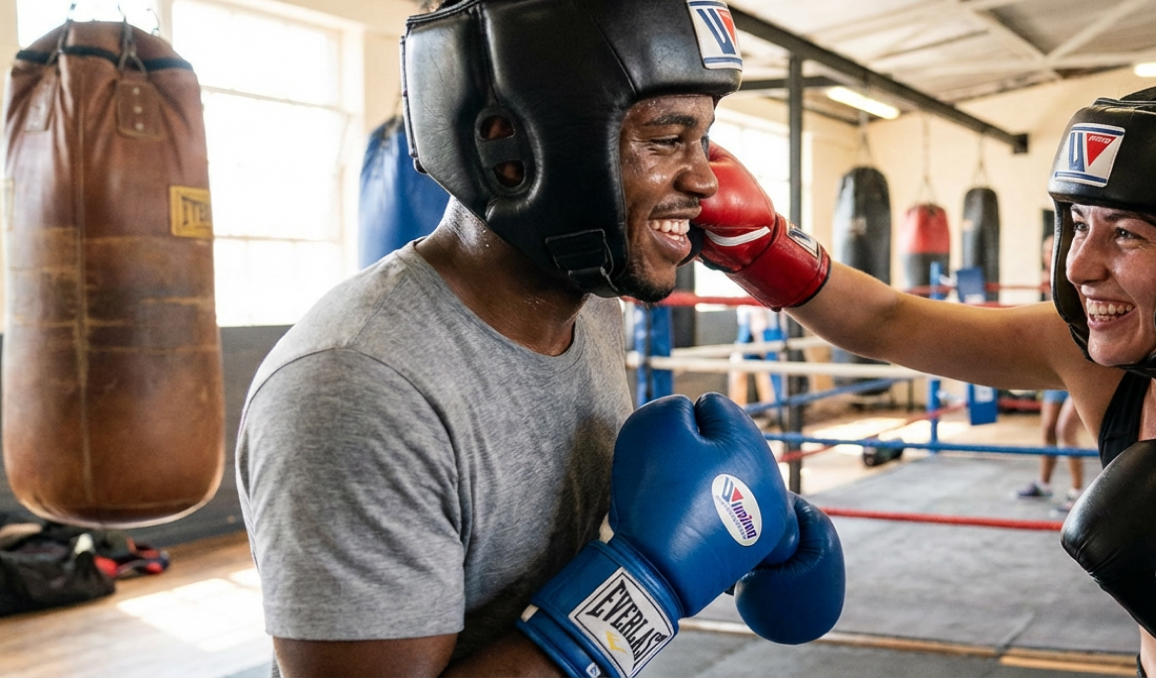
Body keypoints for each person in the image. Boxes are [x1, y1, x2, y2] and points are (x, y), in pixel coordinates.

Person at [694, 84, 1156, 676]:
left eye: (1128, 234)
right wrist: (761, 247)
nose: (1080, 265)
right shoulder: (1084, 352)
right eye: (1079, 223)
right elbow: (889, 322)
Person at [235, 2, 842, 676]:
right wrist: (642, 587)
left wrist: (726, 524)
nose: (704, 179)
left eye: (703, 140)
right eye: (668, 138)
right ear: (513, 150)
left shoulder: (592, 308)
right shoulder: (357, 390)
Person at [1014, 231, 1085, 513]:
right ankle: (1044, 484)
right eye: (1044, 250)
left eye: (1052, 249)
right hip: (1056, 368)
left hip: (1081, 366)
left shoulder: (1079, 278)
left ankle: (1079, 492)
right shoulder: (1048, 284)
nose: (1048, 255)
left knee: (1065, 429)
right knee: (1047, 428)